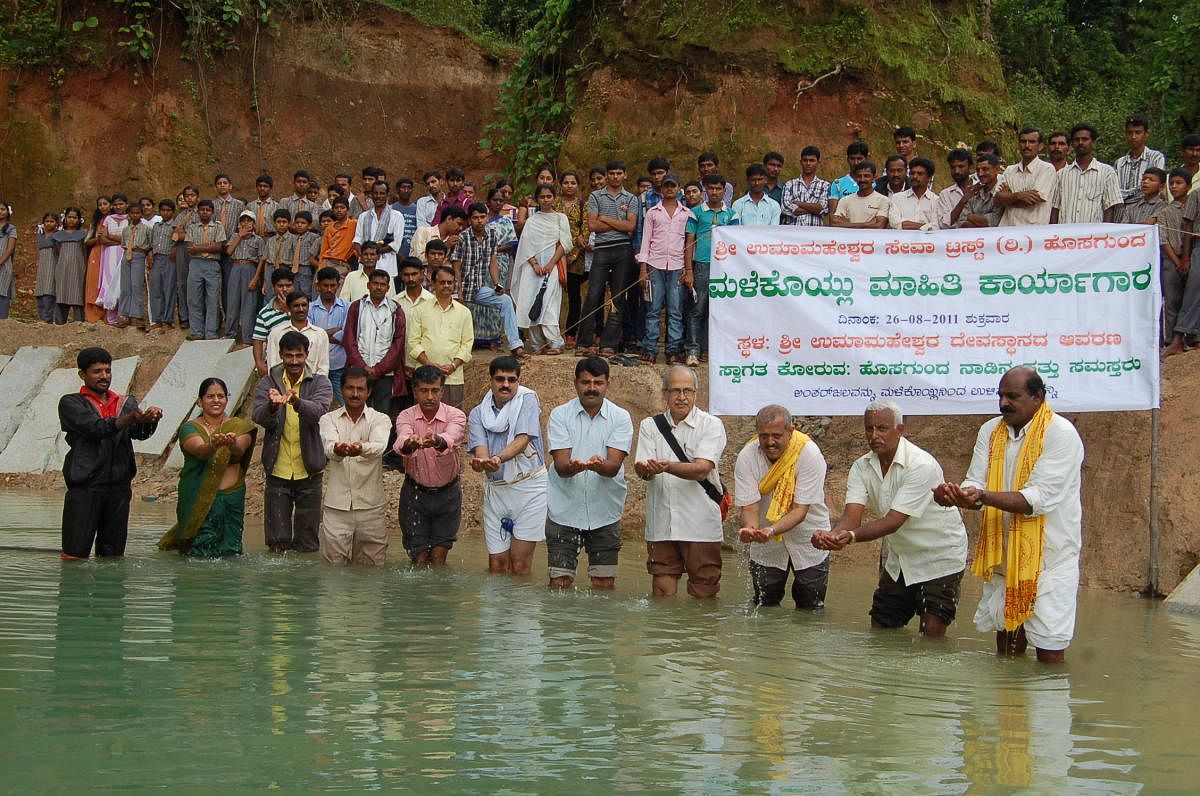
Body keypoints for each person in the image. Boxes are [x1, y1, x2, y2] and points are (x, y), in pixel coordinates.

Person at [933, 366, 1084, 663]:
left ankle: (1045, 706)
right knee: (1006, 650)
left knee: (1049, 655)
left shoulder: (1061, 434)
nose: (1003, 403)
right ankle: (1006, 704)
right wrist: (957, 496)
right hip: (1004, 560)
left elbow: (1036, 500)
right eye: (1000, 396)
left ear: (1038, 397)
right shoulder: (990, 431)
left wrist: (981, 495)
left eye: (1013, 396)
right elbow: (975, 481)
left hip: (1050, 563)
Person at [813, 401, 968, 638]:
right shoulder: (861, 466)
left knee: (931, 634)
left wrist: (849, 537)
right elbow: (852, 516)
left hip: (940, 556)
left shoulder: (921, 465)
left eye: (882, 428)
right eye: (869, 429)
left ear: (900, 430)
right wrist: (833, 535)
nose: (874, 435)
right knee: (881, 626)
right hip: (901, 558)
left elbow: (894, 520)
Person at [59, 347, 162, 559]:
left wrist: (150, 421)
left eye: (107, 370)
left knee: (113, 556)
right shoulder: (71, 403)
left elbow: (138, 434)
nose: (104, 376)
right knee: (74, 554)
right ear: (82, 374)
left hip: (119, 487)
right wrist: (130, 418)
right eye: (97, 371)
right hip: (86, 487)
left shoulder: (124, 403)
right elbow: (95, 428)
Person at [634, 365, 727, 598]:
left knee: (704, 589)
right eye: (675, 391)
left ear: (696, 394)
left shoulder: (712, 425)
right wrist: (647, 470)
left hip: (701, 523)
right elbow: (643, 469)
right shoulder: (649, 426)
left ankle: (698, 636)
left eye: (687, 391)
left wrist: (665, 466)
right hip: (661, 522)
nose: (682, 397)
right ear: (665, 393)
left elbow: (702, 470)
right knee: (661, 590)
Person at [546, 357, 633, 590]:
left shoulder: (621, 417)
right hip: (564, 509)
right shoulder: (559, 415)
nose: (592, 388)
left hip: (605, 511)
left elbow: (613, 467)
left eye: (598, 382)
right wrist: (573, 467)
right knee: (559, 584)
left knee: (604, 585)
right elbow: (562, 467)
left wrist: (598, 465)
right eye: (586, 382)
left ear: (607, 384)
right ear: (576, 383)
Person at [734, 405, 831, 609]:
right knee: (764, 602)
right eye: (764, 436)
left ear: (791, 431)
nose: (770, 442)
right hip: (765, 540)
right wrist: (751, 530)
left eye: (777, 435)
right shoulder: (747, 456)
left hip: (808, 537)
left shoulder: (809, 454)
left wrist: (771, 530)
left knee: (810, 604)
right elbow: (750, 507)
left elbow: (800, 510)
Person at [251, 330, 333, 554]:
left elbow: (319, 411)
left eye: (299, 355)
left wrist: (297, 402)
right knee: (277, 542)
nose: (294, 361)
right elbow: (257, 415)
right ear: (280, 355)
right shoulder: (268, 383)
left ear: (307, 355)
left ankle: (304, 586)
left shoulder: (320, 383)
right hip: (278, 469)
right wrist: (272, 406)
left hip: (310, 470)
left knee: (308, 543)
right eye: (289, 356)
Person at [157, 378, 256, 558]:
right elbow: (200, 451)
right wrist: (213, 445)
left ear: (227, 399)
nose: (216, 400)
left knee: (231, 551)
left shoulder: (240, 427)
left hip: (231, 499)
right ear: (200, 401)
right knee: (198, 552)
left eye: (220, 396)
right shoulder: (189, 428)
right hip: (197, 497)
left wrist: (231, 443)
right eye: (210, 396)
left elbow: (239, 452)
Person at [467, 355, 547, 575]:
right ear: (490, 381)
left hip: (529, 488)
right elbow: (480, 449)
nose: (506, 384)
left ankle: (520, 610)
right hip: (497, 491)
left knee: (519, 564)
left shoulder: (527, 400)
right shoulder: (477, 414)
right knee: (497, 565)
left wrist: (498, 459)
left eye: (511, 380)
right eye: (500, 379)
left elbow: (523, 439)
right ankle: (496, 609)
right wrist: (482, 463)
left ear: (518, 381)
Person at [317, 367, 391, 566]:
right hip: (336, 507)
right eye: (350, 388)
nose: (355, 394)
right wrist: (339, 450)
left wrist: (360, 448)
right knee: (332, 570)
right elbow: (329, 446)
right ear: (341, 390)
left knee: (372, 570)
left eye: (360, 389)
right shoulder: (328, 419)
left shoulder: (381, 419)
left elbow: (379, 446)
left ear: (369, 392)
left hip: (371, 507)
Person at [395, 364, 467, 565]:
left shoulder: (456, 415)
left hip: (448, 495)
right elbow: (402, 441)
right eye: (424, 390)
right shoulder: (405, 416)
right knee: (418, 558)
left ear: (442, 391)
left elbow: (452, 437)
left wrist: (436, 441)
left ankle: (435, 594)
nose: (429, 396)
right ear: (414, 391)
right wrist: (410, 443)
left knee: (438, 558)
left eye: (435, 390)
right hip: (414, 494)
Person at [578, 159, 639, 357]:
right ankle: (584, 343)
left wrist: (605, 218)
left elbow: (631, 227)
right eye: (611, 173)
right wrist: (616, 223)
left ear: (625, 175)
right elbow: (593, 226)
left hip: (623, 251)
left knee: (618, 297)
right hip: (602, 250)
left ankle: (608, 343)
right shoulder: (596, 196)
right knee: (593, 295)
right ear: (607, 175)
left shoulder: (631, 198)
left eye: (619, 173)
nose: (615, 177)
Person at [451, 201, 526, 357]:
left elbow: (493, 261)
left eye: (482, 217)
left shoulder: (491, 235)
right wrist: (458, 292)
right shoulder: (463, 237)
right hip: (462, 288)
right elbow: (456, 267)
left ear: (486, 217)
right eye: (475, 218)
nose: (479, 221)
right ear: (469, 220)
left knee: (505, 300)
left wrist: (497, 284)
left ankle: (515, 345)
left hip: (478, 288)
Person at [683, 173, 740, 367]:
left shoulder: (732, 214)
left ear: (724, 191)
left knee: (718, 310)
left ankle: (711, 350)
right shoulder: (696, 212)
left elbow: (735, 242)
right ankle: (692, 350)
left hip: (723, 267)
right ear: (705, 190)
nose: (715, 192)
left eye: (718, 189)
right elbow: (689, 242)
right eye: (711, 188)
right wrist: (688, 269)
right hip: (702, 264)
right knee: (697, 308)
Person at [637, 173, 692, 364]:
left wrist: (688, 268)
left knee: (675, 310)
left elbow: (688, 243)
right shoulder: (653, 213)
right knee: (653, 309)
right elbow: (645, 241)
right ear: (661, 189)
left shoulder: (687, 214)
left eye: (673, 186)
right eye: (666, 186)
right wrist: (643, 269)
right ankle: (650, 348)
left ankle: (673, 350)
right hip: (654, 265)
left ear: (679, 189)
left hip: (677, 266)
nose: (669, 189)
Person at [513, 185, 573, 354]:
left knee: (549, 305)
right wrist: (535, 265)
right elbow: (525, 245)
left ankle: (555, 343)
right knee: (529, 303)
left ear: (554, 198)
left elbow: (565, 244)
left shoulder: (561, 218)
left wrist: (550, 265)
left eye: (549, 196)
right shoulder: (531, 220)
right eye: (542, 197)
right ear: (537, 199)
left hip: (552, 268)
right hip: (532, 269)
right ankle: (537, 344)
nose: (546, 200)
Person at [343, 269, 408, 414]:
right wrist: (363, 367)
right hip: (358, 372)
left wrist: (378, 370)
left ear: (388, 288)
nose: (378, 287)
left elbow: (398, 345)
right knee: (356, 412)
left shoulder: (395, 310)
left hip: (385, 375)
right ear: (368, 285)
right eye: (375, 283)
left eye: (382, 284)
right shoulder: (357, 307)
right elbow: (349, 339)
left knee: (382, 415)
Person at [409, 266, 473, 408]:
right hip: (425, 376)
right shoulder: (420, 310)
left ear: (454, 284)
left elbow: (467, 344)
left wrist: (453, 365)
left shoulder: (464, 312)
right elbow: (413, 341)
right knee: (422, 421)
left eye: (450, 282)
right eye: (442, 282)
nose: (446, 286)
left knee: (452, 420)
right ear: (433, 284)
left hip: (453, 377)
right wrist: (428, 363)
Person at [1050, 123, 1122, 224]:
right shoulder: (1061, 174)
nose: (1080, 143)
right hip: (1065, 236)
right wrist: (1054, 233)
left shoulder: (1107, 172)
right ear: (1072, 144)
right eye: (1076, 140)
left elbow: (1110, 208)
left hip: (1093, 236)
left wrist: (1105, 234)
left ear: (1093, 142)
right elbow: (1055, 208)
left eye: (1085, 139)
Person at [995, 127, 1057, 226]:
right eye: (1023, 141)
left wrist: (1008, 198)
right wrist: (1019, 195)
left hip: (1033, 232)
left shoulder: (1047, 169)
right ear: (1019, 145)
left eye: (1032, 142)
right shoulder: (1010, 170)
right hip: (1007, 230)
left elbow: (1031, 201)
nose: (1027, 146)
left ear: (1040, 146)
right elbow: (997, 200)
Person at [184, 198, 227, 339]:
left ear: (212, 212)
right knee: (194, 299)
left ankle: (211, 332)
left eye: (208, 210)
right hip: (195, 264)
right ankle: (197, 331)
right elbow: (190, 248)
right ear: (198, 212)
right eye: (202, 210)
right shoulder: (192, 227)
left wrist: (198, 247)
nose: (205, 212)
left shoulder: (218, 227)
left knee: (213, 299)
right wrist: (207, 246)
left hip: (212, 264)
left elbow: (219, 246)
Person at [266, 291, 331, 376]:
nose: (301, 309)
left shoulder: (320, 334)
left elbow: (323, 368)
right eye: (296, 306)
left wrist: (315, 386)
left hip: (312, 385)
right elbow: (272, 365)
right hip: (282, 385)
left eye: (304, 305)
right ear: (289, 308)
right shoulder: (276, 333)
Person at [309, 266, 349, 404]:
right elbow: (309, 338)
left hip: (340, 364)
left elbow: (347, 335)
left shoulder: (347, 307)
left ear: (338, 285)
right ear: (318, 285)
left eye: (333, 285)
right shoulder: (309, 308)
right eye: (325, 285)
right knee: (314, 405)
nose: (329, 289)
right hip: (315, 366)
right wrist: (333, 332)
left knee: (346, 405)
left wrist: (320, 335)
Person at [353, 180, 406, 281]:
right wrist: (365, 257)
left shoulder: (397, 216)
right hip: (365, 269)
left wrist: (374, 253)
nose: (378, 196)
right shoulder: (363, 216)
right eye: (376, 193)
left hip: (386, 268)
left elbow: (396, 244)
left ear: (387, 195)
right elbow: (357, 240)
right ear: (371, 195)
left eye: (382, 193)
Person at [223, 210, 263, 343]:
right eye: (243, 220)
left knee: (249, 304)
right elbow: (229, 251)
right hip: (235, 267)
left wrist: (256, 278)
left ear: (254, 223)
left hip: (250, 268)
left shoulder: (258, 239)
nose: (246, 223)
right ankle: (230, 334)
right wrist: (239, 236)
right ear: (239, 223)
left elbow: (261, 260)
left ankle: (248, 336)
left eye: (249, 220)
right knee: (232, 301)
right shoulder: (235, 236)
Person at [252, 268, 295, 377]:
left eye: (288, 285)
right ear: (273, 287)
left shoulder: (302, 307)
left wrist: (288, 310)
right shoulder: (265, 314)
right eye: (280, 286)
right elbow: (258, 340)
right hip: (275, 364)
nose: (284, 289)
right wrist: (259, 363)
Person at [1115, 114, 1166, 204]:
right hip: (1121, 212)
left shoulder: (1156, 158)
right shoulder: (1119, 163)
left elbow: (1155, 187)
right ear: (1125, 135)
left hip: (1146, 210)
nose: (1133, 137)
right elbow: (1114, 191)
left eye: (1138, 132)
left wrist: (1123, 195)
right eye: (1130, 133)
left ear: (1146, 134)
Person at [96, 193, 129, 325]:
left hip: (125, 254)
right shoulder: (108, 219)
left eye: (121, 204)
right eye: (115, 204)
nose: (118, 206)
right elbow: (102, 238)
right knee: (109, 282)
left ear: (126, 204)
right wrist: (120, 241)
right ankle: (111, 318)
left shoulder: (131, 218)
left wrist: (112, 237)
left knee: (122, 283)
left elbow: (130, 238)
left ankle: (122, 316)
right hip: (110, 254)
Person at [116, 201, 150, 329]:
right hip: (126, 255)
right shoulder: (126, 229)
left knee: (136, 285)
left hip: (139, 255)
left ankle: (136, 314)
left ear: (141, 214)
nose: (135, 215)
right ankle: (124, 315)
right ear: (128, 214)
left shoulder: (146, 229)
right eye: (132, 213)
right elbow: (123, 243)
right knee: (125, 286)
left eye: (137, 213)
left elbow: (149, 244)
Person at [52, 207, 88, 323]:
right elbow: (58, 251)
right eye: (69, 217)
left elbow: (84, 252)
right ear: (65, 218)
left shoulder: (83, 234)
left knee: (77, 294)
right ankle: (60, 323)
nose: (72, 220)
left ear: (79, 220)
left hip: (78, 269)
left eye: (74, 217)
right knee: (62, 294)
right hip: (62, 269)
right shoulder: (58, 235)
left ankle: (79, 323)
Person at [830, 161, 890, 228]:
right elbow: (834, 223)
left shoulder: (883, 200)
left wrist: (848, 224)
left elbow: (879, 226)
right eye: (859, 176)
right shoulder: (844, 200)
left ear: (874, 178)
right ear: (855, 178)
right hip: (849, 238)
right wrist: (867, 224)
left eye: (866, 176)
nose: (862, 179)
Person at [781, 146, 830, 226]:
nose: (808, 163)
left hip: (814, 234)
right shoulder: (790, 184)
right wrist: (814, 209)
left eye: (812, 160)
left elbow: (823, 208)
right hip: (792, 234)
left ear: (818, 162)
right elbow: (785, 208)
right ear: (801, 162)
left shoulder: (825, 185)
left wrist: (799, 203)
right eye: (805, 160)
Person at [951, 154, 1002, 228]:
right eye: (978, 170)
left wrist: (970, 217)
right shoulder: (974, 194)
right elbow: (962, 222)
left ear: (997, 169)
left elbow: (994, 221)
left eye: (985, 169)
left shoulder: (1002, 192)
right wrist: (979, 221)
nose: (980, 174)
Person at [887, 157, 939, 229]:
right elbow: (895, 223)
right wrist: (925, 226)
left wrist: (907, 224)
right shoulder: (897, 198)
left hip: (927, 240)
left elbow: (936, 226)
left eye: (920, 174)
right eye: (912, 173)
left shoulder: (936, 201)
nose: (914, 176)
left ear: (929, 177)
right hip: (902, 240)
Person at [318, 196, 357, 276]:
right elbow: (323, 251)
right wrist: (320, 270)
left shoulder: (354, 224)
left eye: (342, 207)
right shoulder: (329, 228)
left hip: (343, 265)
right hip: (328, 262)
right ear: (333, 209)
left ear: (348, 209)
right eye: (336, 208)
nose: (339, 210)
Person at [828, 141, 869, 216]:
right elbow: (833, 215)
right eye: (852, 159)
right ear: (847, 159)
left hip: (868, 227)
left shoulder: (874, 184)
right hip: (843, 226)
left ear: (866, 159)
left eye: (859, 158)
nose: (856, 162)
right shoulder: (837, 184)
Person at [935, 149, 974, 230]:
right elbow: (944, 224)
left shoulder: (981, 188)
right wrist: (963, 200)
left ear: (970, 167)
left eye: (961, 166)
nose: (956, 171)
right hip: (955, 240)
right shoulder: (945, 194)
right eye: (953, 167)